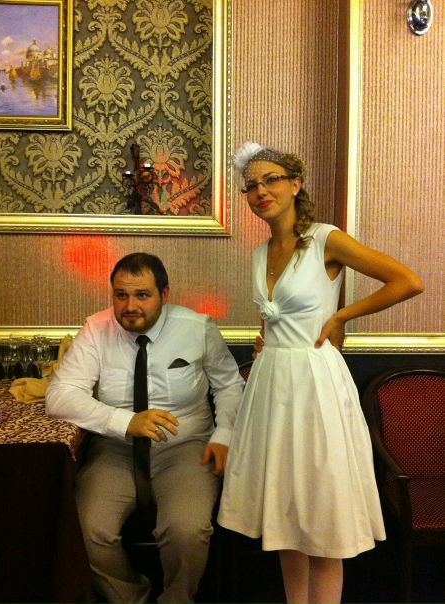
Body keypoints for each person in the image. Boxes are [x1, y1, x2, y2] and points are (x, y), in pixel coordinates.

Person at [217, 142, 425, 604]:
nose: (260, 191)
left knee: (322, 517)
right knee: (286, 517)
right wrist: (265, 337)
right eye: (251, 185)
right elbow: (274, 313)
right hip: (272, 384)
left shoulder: (325, 239)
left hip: (315, 384)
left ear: (295, 184)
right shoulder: (260, 253)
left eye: (271, 180)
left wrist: (342, 316)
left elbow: (408, 281)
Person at [46, 252, 244, 604]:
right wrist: (125, 421)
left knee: (187, 530)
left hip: (184, 446)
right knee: (87, 529)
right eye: (121, 295)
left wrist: (225, 435)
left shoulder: (197, 327)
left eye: (142, 295)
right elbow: (60, 396)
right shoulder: (96, 329)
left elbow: (229, 385)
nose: (130, 306)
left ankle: (176, 599)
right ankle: (131, 597)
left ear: (164, 295)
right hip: (115, 448)